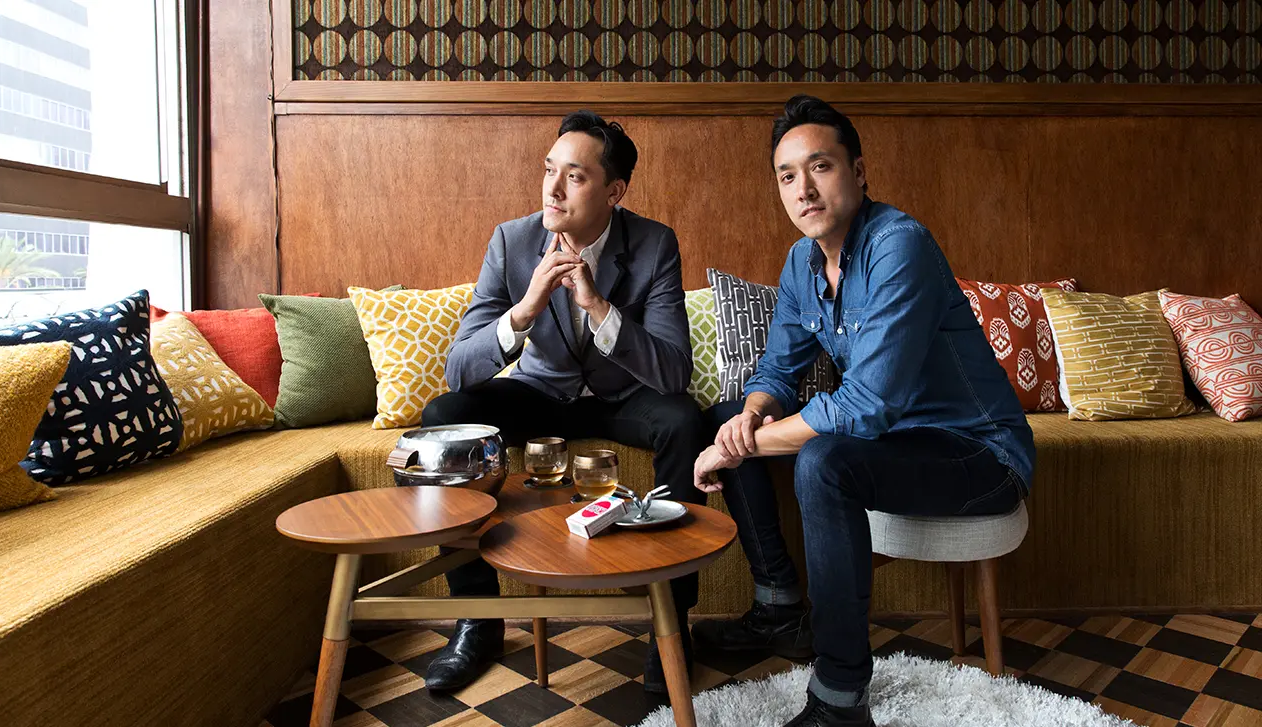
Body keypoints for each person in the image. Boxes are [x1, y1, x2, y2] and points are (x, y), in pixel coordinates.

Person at [690, 95, 1036, 727]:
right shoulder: (801, 262)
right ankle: (780, 608)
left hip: (981, 453)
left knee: (823, 462)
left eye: (819, 166)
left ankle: (839, 702)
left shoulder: (899, 244)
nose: (804, 189)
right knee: (733, 407)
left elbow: (869, 403)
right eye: (787, 176)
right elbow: (776, 369)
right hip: (903, 448)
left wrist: (739, 447)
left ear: (858, 171)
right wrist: (750, 415)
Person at [420, 110, 706, 694]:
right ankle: (477, 620)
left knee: (684, 420)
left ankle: (671, 625)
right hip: (538, 392)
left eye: (573, 177)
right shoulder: (512, 240)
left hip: (619, 398)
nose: (552, 188)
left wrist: (598, 305)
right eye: (549, 170)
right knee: (441, 420)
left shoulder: (654, 244)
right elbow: (457, 371)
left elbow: (675, 371)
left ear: (614, 191)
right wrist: (522, 312)